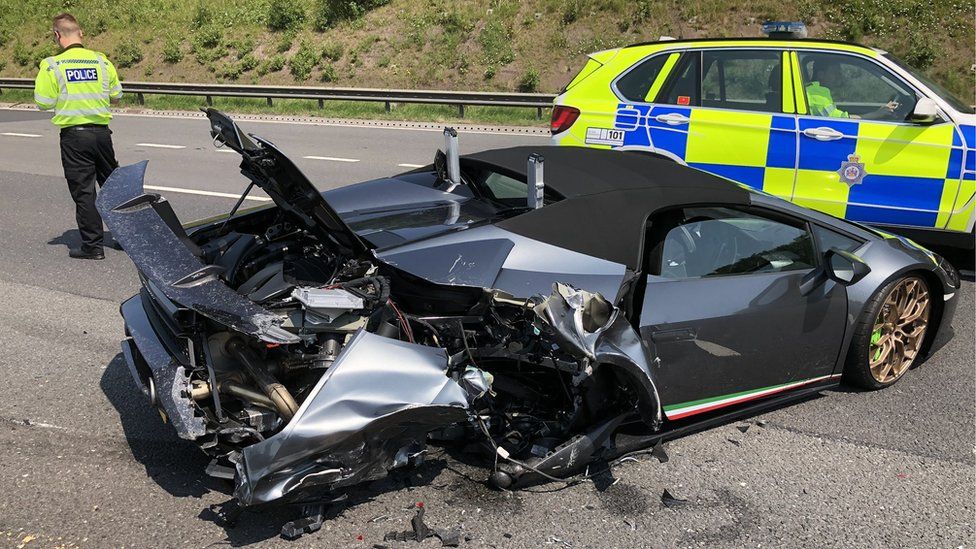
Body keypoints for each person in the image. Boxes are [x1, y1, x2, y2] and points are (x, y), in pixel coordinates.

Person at [34, 13, 123, 260]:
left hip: (74, 137)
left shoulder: (52, 65)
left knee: (84, 191)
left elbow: (43, 102)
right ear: (81, 33)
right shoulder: (101, 61)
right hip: (103, 135)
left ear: (57, 35)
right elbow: (117, 95)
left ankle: (92, 247)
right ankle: (128, 239)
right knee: (113, 188)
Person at [805, 58, 898, 120]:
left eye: (839, 72)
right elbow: (842, 120)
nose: (839, 76)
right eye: (835, 72)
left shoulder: (819, 90)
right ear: (821, 75)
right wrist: (876, 114)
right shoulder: (816, 94)